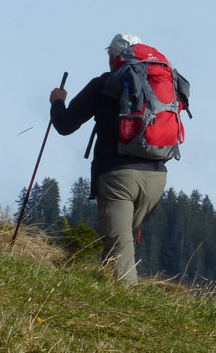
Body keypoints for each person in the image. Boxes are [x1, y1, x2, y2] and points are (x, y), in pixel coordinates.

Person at [49, 33, 168, 285]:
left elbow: (65, 124)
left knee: (119, 249)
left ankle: (128, 310)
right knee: (122, 242)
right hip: (157, 175)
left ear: (115, 57)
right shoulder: (160, 82)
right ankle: (108, 293)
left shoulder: (102, 84)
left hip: (117, 175)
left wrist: (57, 102)